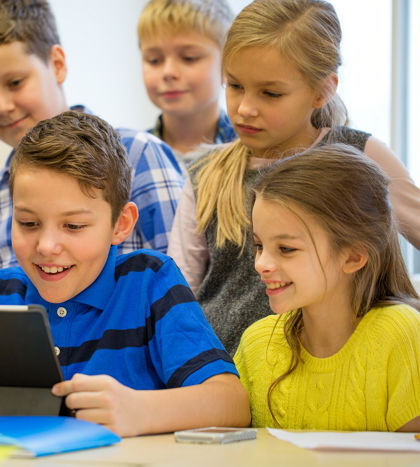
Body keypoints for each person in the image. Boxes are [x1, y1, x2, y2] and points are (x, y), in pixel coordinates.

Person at [0, 111, 249, 437]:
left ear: (121, 224)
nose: (47, 245)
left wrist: (139, 411)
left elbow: (232, 403)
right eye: (28, 223)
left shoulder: (149, 282)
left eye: (74, 226)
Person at [167, 0, 420, 354]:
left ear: (322, 90)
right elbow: (178, 296)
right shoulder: (204, 174)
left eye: (270, 93)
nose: (244, 108)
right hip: (227, 374)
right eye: (235, 85)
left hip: (342, 371)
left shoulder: (361, 155)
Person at [0, 0, 184, 287]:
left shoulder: (138, 155)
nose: (2, 106)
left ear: (57, 65)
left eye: (15, 82)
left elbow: (184, 282)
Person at [234, 144, 420, 431]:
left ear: (353, 257)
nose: (261, 263)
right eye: (259, 245)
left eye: (286, 248)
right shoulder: (256, 343)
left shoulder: (400, 333)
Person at [138, 0, 236, 169]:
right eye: (154, 60)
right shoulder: (129, 155)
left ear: (227, 63)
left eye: (189, 58)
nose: (168, 72)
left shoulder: (255, 153)